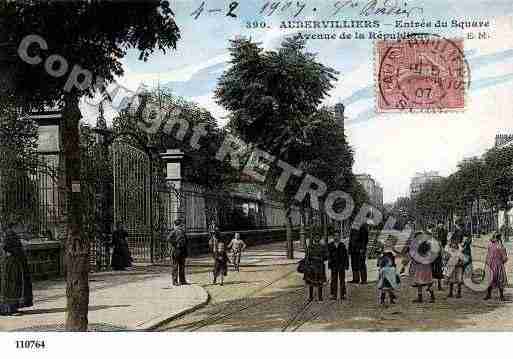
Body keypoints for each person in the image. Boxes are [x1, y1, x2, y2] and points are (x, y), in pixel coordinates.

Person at [0, 222, 33, 316]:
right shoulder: (9, 234)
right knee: (12, 286)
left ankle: (13, 308)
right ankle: (9, 309)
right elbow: (6, 247)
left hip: (14, 263)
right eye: (19, 226)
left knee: (15, 285)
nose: (20, 228)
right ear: (14, 226)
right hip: (12, 264)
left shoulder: (11, 234)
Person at [407, 231, 436, 303]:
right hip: (427, 266)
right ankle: (432, 297)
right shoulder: (427, 244)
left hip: (420, 266)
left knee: (419, 282)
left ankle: (420, 297)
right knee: (428, 282)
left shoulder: (417, 246)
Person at [484, 232, 508, 301]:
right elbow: (504, 258)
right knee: (495, 280)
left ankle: (498, 295)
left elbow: (504, 257)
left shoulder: (494, 245)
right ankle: (497, 295)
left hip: (494, 264)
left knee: (495, 280)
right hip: (495, 264)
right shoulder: (499, 246)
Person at [304, 237, 328, 302]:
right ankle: (311, 297)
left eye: (318, 238)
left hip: (320, 266)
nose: (316, 239)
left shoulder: (323, 247)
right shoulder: (311, 247)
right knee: (311, 283)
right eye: (315, 238)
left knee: (320, 282)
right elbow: (307, 257)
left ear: (319, 239)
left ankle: (320, 297)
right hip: (312, 266)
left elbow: (326, 257)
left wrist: (320, 258)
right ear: (314, 239)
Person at [328, 236, 349, 300]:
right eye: (335, 235)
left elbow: (345, 255)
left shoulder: (342, 245)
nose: (336, 237)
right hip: (334, 264)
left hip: (341, 264)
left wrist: (346, 264)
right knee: (333, 280)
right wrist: (329, 264)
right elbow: (329, 255)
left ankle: (343, 294)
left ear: (339, 237)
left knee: (342, 280)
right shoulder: (330, 245)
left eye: (337, 235)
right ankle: (333, 294)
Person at [168, 219, 188, 286]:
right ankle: (175, 281)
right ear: (178, 225)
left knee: (182, 266)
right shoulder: (174, 231)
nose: (181, 226)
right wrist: (175, 244)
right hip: (176, 251)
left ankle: (182, 281)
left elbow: (186, 241)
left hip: (182, 251)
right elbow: (168, 239)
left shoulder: (183, 231)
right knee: (175, 266)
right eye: (180, 224)